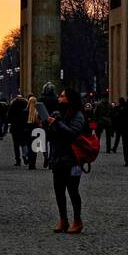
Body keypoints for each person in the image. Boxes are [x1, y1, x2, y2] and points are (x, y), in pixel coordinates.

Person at [46, 89, 88, 234]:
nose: (59, 98)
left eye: (62, 96)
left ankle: (77, 220)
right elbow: (53, 136)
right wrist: (49, 125)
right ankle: (63, 220)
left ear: (70, 99)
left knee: (73, 190)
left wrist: (56, 123)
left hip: (73, 159)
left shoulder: (78, 115)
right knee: (58, 190)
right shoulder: (60, 114)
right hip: (59, 158)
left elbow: (73, 134)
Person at [7, 94, 29, 165]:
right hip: (23, 127)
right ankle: (25, 155)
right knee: (24, 143)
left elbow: (9, 117)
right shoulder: (26, 105)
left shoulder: (12, 106)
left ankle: (18, 160)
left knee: (16, 145)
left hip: (15, 127)